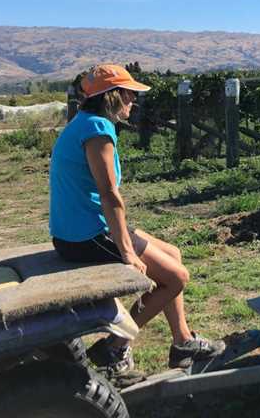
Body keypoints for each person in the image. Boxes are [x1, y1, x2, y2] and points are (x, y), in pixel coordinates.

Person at [49, 64, 224, 374]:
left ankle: (182, 341)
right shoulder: (97, 130)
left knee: (173, 255)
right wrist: (127, 251)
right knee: (176, 278)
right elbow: (109, 195)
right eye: (129, 94)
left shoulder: (84, 122)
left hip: (81, 227)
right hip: (87, 236)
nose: (133, 100)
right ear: (112, 97)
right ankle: (115, 346)